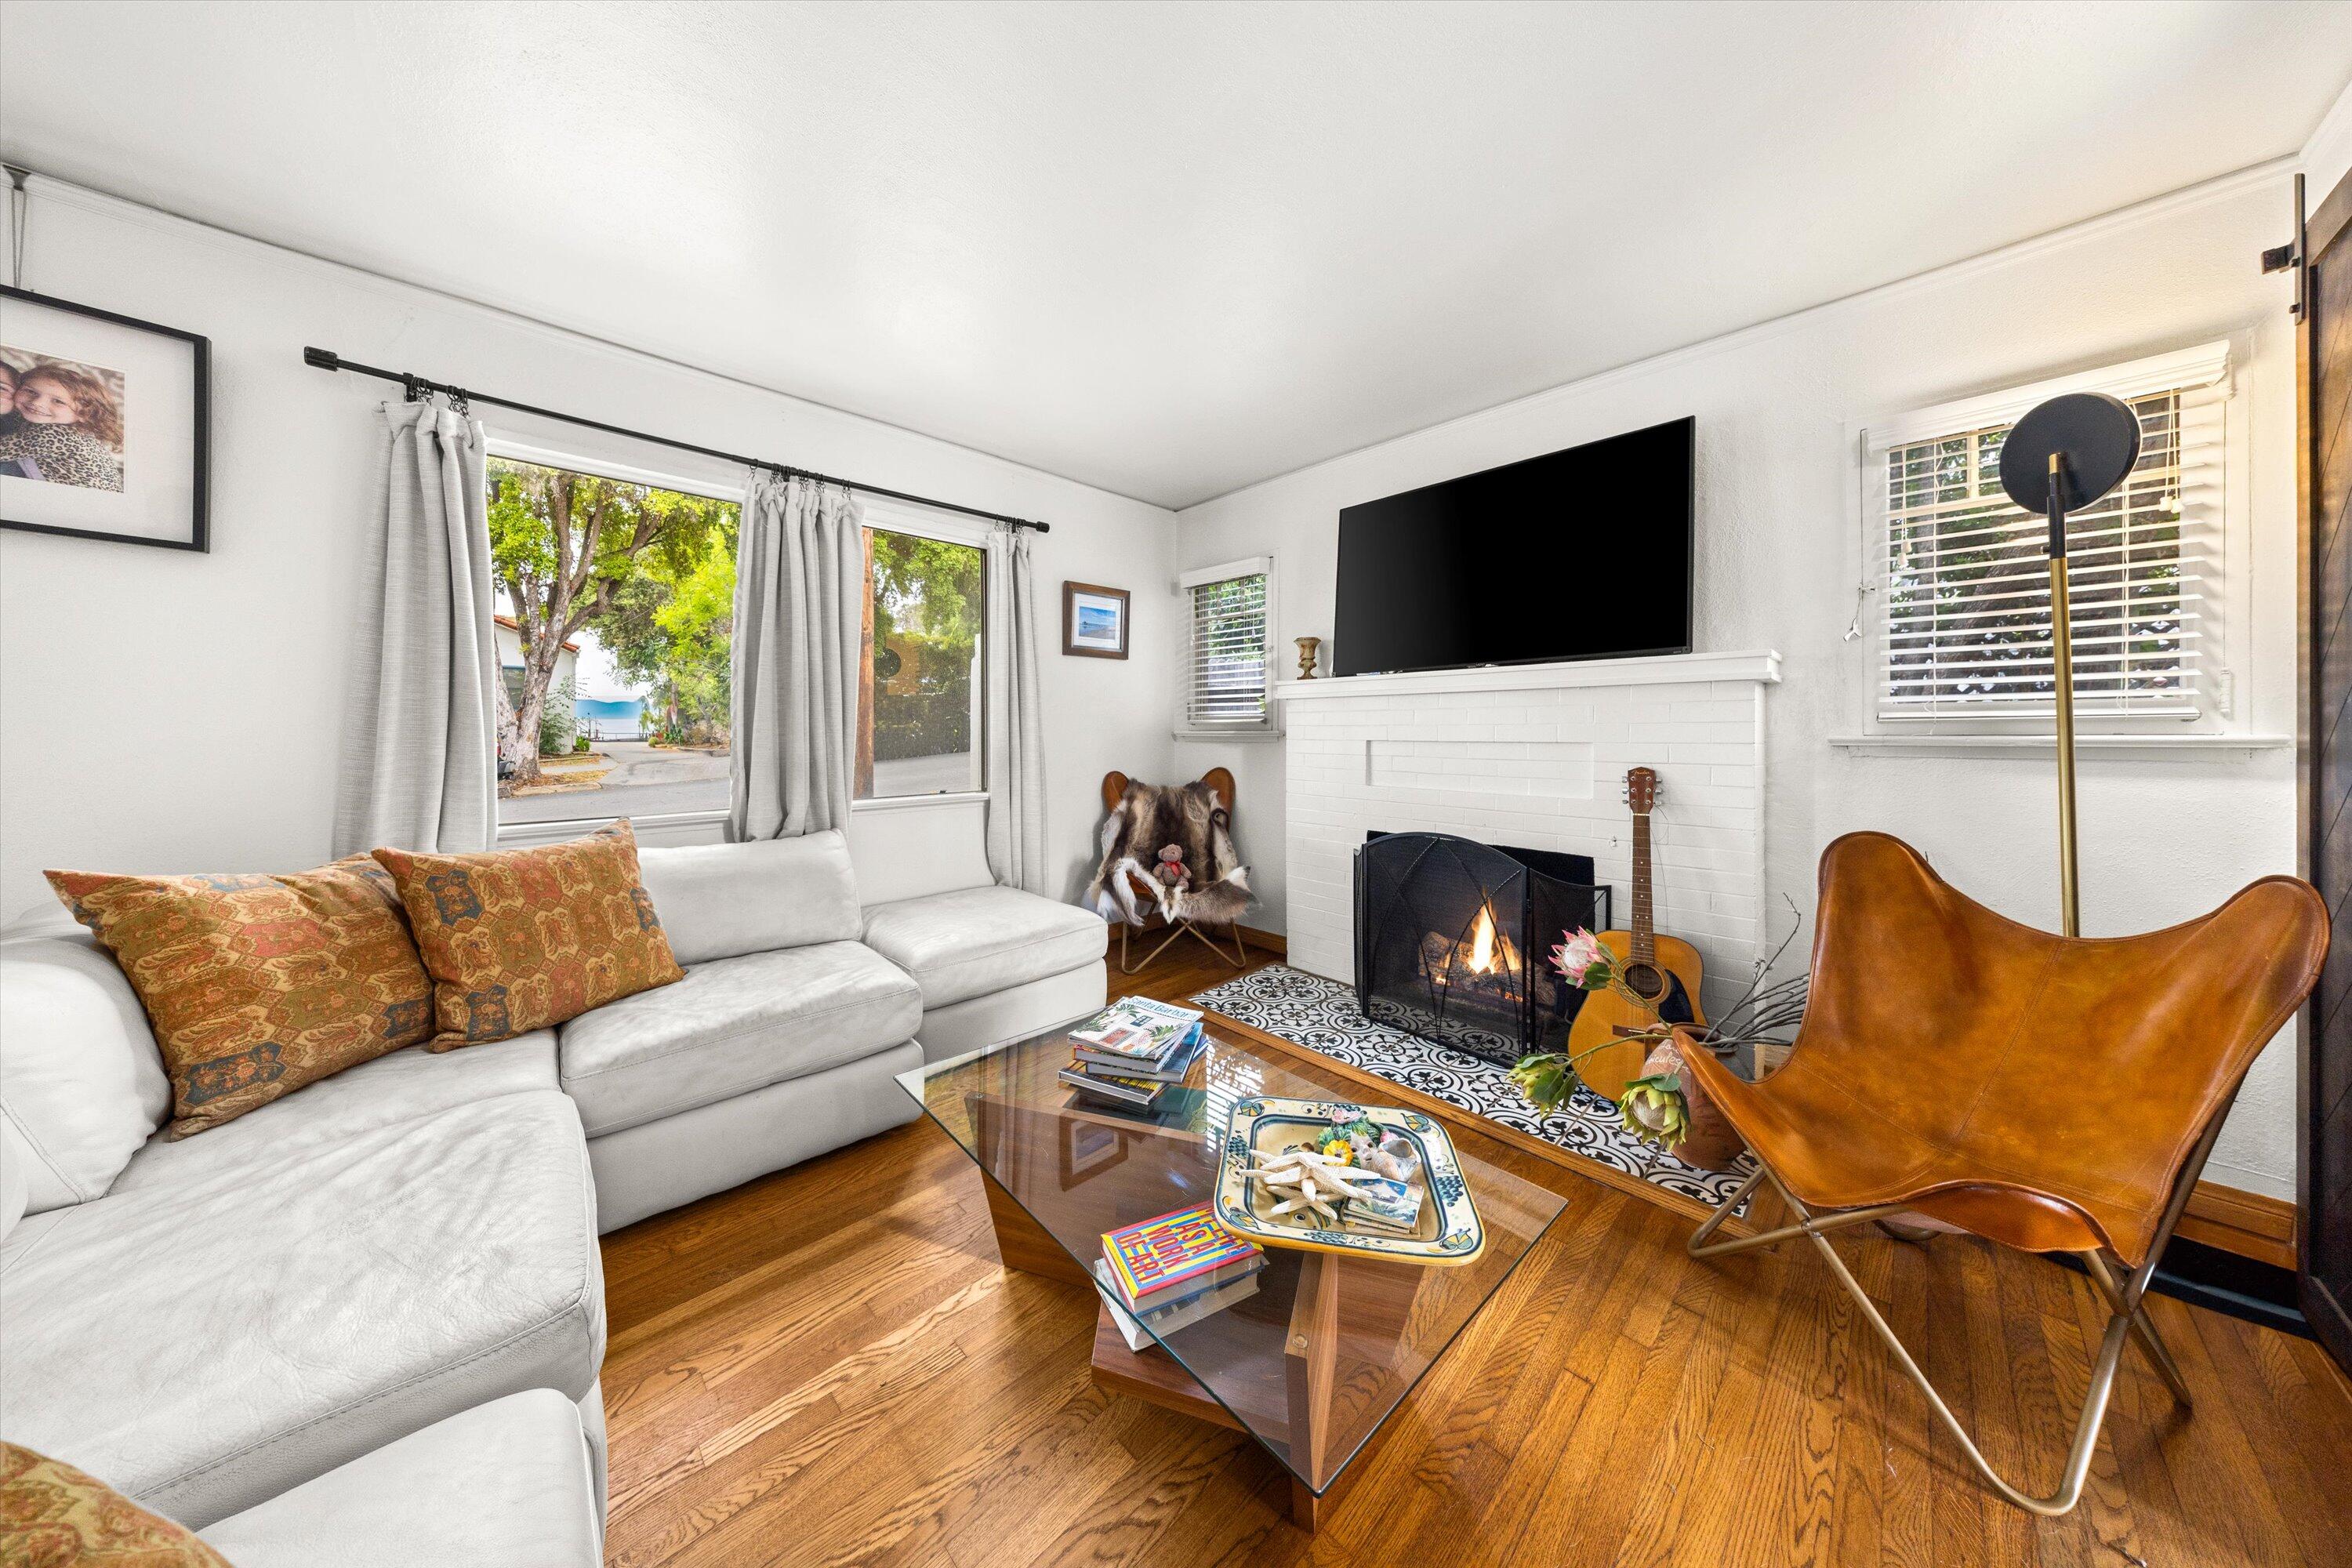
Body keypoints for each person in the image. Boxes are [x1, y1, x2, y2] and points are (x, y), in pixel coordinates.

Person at [0, 361, 124, 490]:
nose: (37, 403)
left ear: (83, 414)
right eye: (31, 391)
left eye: (58, 401)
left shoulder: (54, 434)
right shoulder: (60, 423)